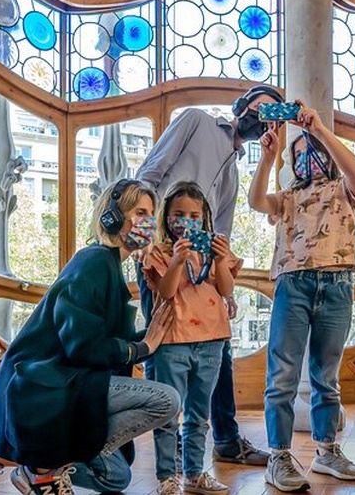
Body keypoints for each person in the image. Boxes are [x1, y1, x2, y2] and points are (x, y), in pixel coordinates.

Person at [0, 179, 181, 495]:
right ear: (112, 216)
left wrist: (157, 333)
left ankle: (1, 460)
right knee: (166, 400)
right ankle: (41, 470)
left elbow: (109, 345)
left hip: (72, 379)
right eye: (140, 211)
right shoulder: (94, 262)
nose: (148, 220)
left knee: (116, 477)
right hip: (45, 381)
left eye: (151, 213)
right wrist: (142, 346)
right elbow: (83, 347)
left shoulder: (111, 267)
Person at [134, 85, 284, 466]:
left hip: (203, 271)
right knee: (162, 346)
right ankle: (171, 442)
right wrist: (143, 236)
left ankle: (227, 440)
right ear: (241, 106)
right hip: (164, 255)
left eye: (271, 116)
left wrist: (225, 287)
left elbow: (222, 232)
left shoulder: (233, 172)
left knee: (220, 352)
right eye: (260, 107)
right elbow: (149, 174)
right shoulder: (196, 121)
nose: (261, 117)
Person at [248, 101, 355, 492]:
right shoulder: (287, 198)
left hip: (337, 286)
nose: (307, 159)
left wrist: (318, 130)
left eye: (313, 152)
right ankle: (279, 456)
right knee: (282, 374)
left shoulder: (344, 189)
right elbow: (255, 200)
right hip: (293, 285)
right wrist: (269, 158)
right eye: (298, 155)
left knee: (326, 375)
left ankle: (326, 451)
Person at [141, 181, 241, 495]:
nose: (186, 221)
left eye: (194, 215)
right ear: (166, 218)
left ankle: (196, 475)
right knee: (169, 413)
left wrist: (221, 260)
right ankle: (167, 478)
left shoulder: (213, 250)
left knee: (199, 414)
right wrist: (176, 261)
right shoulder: (158, 252)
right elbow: (167, 291)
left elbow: (226, 290)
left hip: (213, 341)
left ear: (204, 218)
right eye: (178, 214)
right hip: (172, 341)